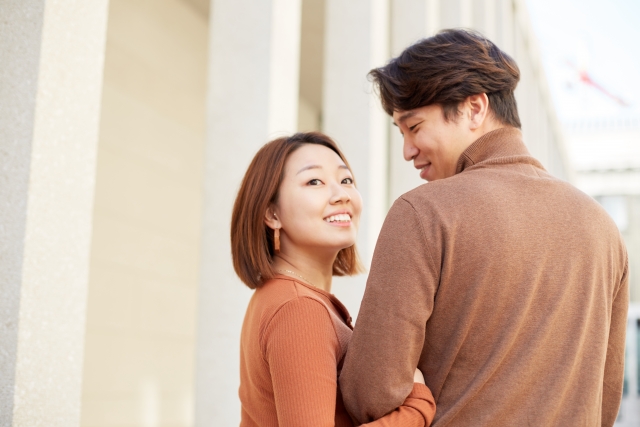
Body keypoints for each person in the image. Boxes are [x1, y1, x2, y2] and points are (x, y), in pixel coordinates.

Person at [339, 29, 628, 427]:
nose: (407, 150)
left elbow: (370, 393)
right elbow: (606, 399)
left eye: (415, 126)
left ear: (475, 108)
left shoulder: (423, 213)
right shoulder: (603, 228)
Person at [231, 132, 436, 426]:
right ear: (272, 213)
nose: (341, 194)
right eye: (314, 182)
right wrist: (417, 406)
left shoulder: (278, 296)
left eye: (346, 180)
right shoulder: (299, 309)